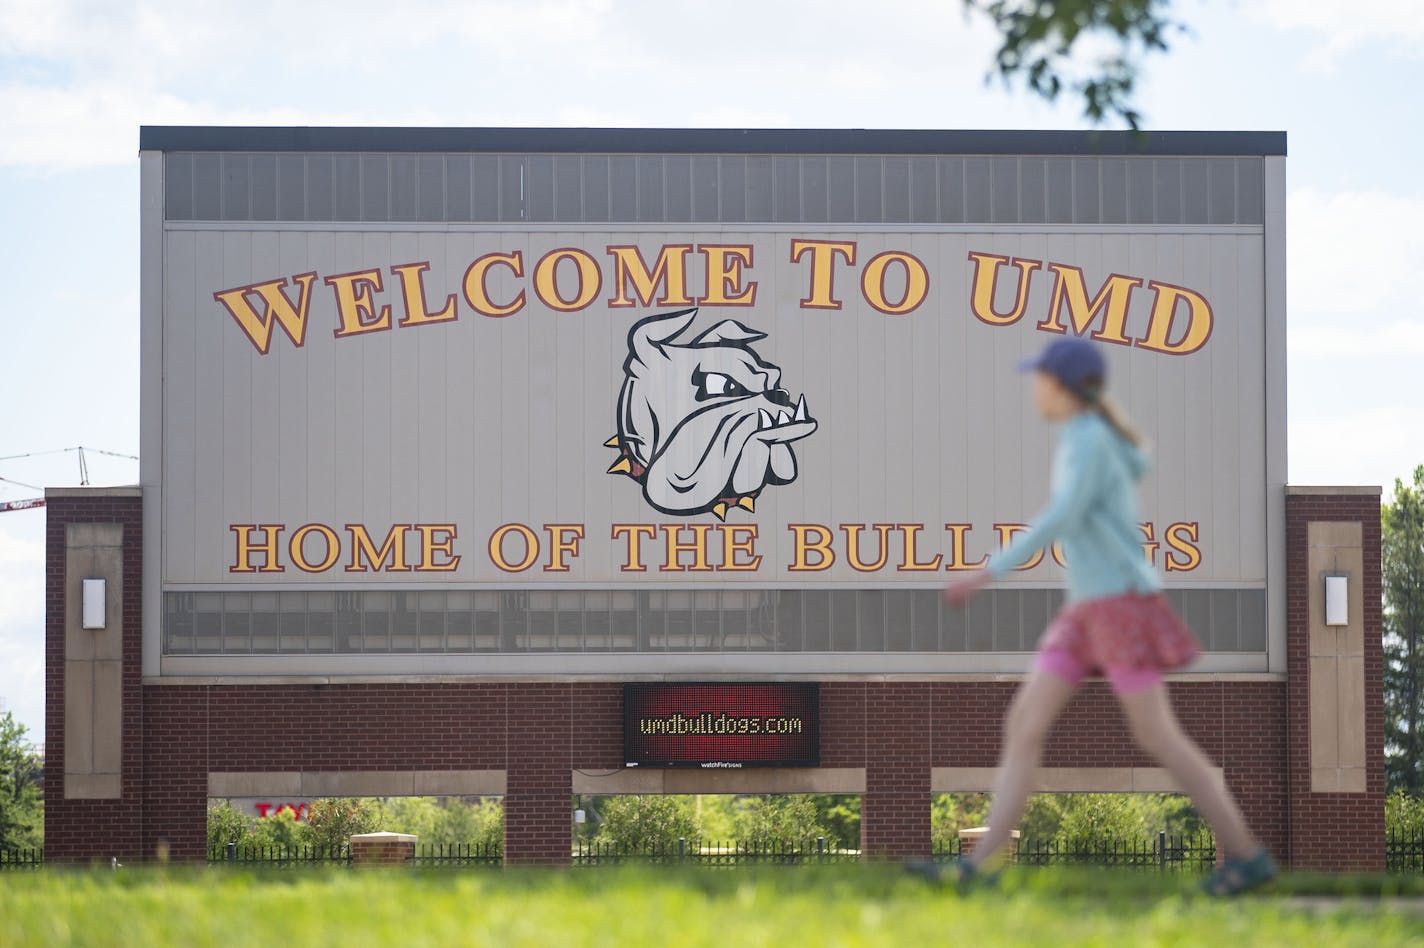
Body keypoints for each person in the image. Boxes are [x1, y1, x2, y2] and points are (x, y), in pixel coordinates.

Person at [939, 337, 1276, 896]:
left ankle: (1246, 855)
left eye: (1040, 378)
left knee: (1159, 736)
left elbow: (1062, 515)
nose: (1034, 388)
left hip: (1119, 605)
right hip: (1085, 612)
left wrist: (988, 571)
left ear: (1064, 387)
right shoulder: (1079, 436)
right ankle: (980, 868)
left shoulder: (1090, 441)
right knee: (1024, 725)